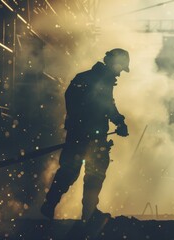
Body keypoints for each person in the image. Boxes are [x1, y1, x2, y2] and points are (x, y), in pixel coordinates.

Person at [41, 48, 130, 222]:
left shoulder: (94, 79)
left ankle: (80, 210)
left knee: (80, 172)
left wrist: (119, 121)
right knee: (85, 173)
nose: (119, 73)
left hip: (85, 136)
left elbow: (107, 106)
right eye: (120, 68)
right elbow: (90, 106)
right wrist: (86, 127)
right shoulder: (92, 80)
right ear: (115, 64)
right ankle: (60, 207)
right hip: (84, 136)